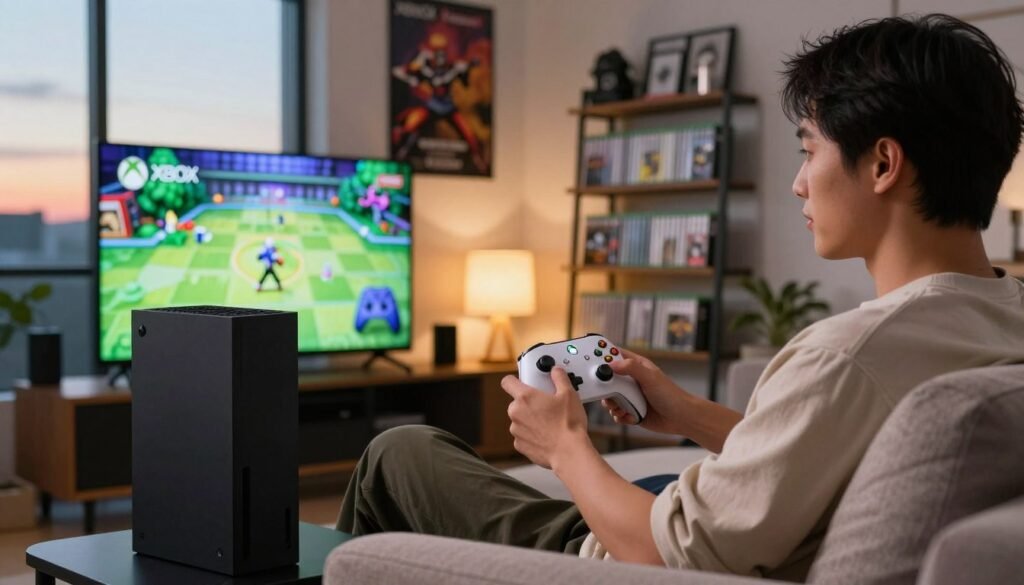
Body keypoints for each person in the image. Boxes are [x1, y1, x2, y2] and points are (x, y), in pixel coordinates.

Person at [335, 14, 1024, 580]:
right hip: (717, 531)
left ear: (881, 163)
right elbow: (834, 458)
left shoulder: (851, 355)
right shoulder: (1003, 312)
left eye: (807, 150)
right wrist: (690, 412)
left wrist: (567, 445)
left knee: (399, 451)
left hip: (618, 560)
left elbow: (667, 551)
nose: (797, 183)